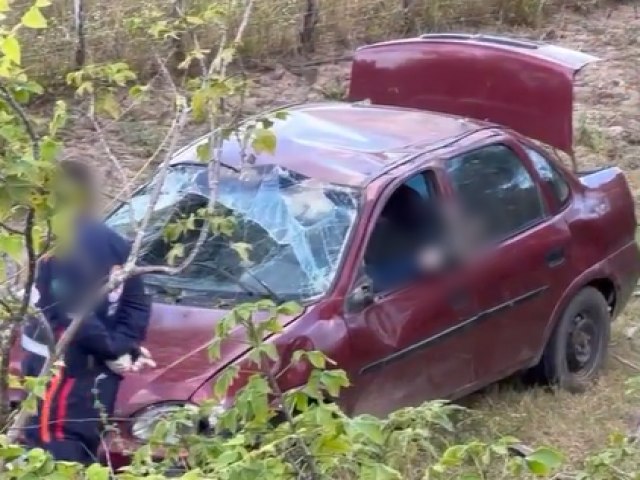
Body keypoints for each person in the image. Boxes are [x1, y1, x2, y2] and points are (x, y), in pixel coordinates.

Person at [21, 160, 154, 465]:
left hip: (63, 375)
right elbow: (137, 303)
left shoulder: (59, 245)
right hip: (100, 377)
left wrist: (112, 349)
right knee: (83, 449)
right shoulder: (115, 242)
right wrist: (123, 346)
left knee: (54, 451)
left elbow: (69, 314)